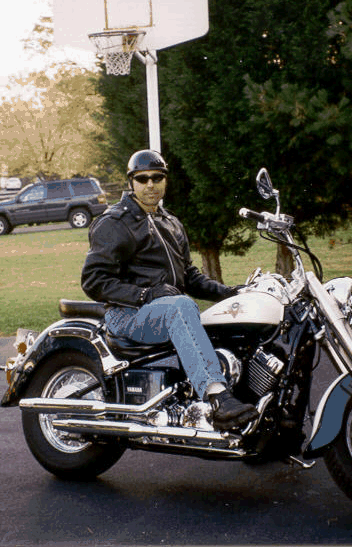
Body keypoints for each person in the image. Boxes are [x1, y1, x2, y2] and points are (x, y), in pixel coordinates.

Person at [81, 150, 258, 430]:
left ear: (165, 180)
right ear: (131, 182)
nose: (150, 184)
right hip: (128, 314)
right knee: (182, 306)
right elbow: (94, 281)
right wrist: (145, 295)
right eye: (142, 179)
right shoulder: (114, 223)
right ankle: (218, 399)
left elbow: (189, 276)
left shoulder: (170, 221)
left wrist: (230, 293)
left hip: (163, 310)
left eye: (157, 177)